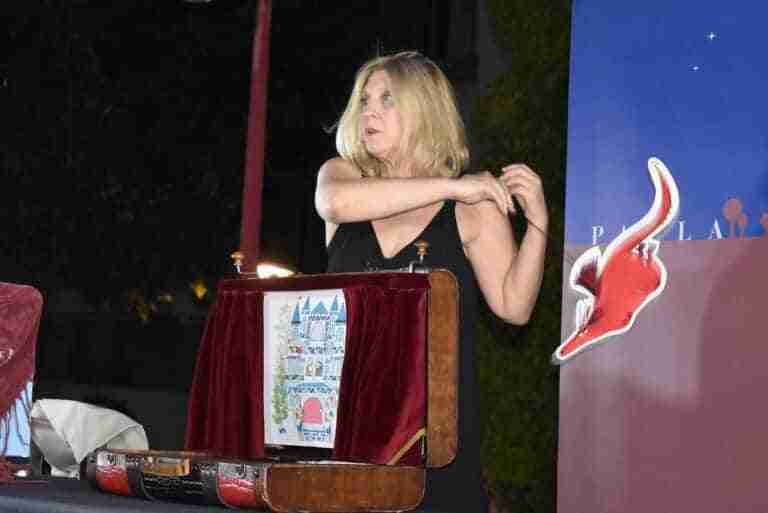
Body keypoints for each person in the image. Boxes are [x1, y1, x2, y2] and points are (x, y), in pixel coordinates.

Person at [315, 51, 548, 512]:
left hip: (434, 444)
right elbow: (333, 204)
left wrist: (539, 225)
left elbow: (515, 306)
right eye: (364, 101)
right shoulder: (341, 177)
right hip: (345, 435)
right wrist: (453, 185)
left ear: (423, 109)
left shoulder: (472, 209)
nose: (369, 112)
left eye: (387, 99)